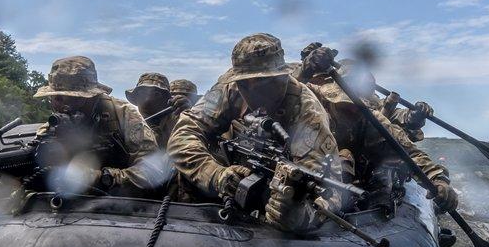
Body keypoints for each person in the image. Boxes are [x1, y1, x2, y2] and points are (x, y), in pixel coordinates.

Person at [168, 34, 339, 231]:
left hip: (279, 185)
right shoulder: (230, 86)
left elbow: (330, 187)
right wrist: (217, 175)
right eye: (244, 84)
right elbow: (184, 133)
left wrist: (300, 214)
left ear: (283, 77)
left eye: (262, 84)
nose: (251, 93)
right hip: (234, 173)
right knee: (183, 170)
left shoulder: (307, 111)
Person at [297, 45, 457, 212]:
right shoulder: (312, 103)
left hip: (352, 169)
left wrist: (437, 179)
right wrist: (306, 67)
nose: (351, 111)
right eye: (345, 105)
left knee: (347, 158)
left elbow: (408, 152)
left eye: (356, 107)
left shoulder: (371, 120)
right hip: (306, 160)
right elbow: (284, 88)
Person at [32, 56, 163, 193]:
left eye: (71, 98)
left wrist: (102, 178)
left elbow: (152, 171)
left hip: (122, 204)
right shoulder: (52, 127)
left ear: (92, 97)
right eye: (55, 98)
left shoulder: (123, 115)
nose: (60, 105)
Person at [126, 72, 178, 146]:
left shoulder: (175, 122)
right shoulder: (126, 123)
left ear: (165, 100)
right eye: (143, 93)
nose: (148, 99)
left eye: (156, 94)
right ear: (136, 97)